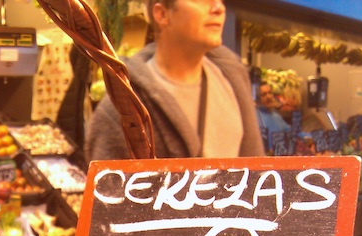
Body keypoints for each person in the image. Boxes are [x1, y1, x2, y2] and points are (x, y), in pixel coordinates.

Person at [84, 0, 264, 161]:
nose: (218, 8)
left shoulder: (233, 78)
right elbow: (107, 194)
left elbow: (258, 171)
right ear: (162, 14)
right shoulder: (122, 110)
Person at [256, 81, 291, 153]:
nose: (268, 97)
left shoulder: (276, 116)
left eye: (270, 93)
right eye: (264, 94)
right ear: (258, 99)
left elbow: (290, 132)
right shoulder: (255, 117)